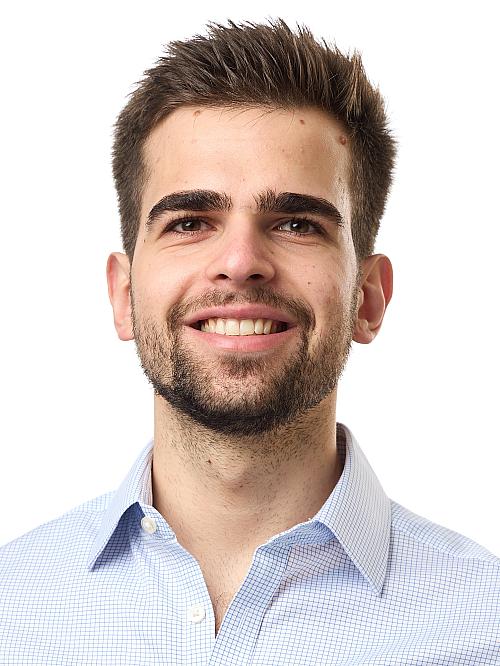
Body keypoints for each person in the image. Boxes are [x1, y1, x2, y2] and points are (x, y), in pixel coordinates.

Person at [1, 17, 498, 665]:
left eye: (296, 223)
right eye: (189, 222)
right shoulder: (12, 609)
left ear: (369, 298)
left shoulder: (485, 625)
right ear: (123, 295)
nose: (239, 262)